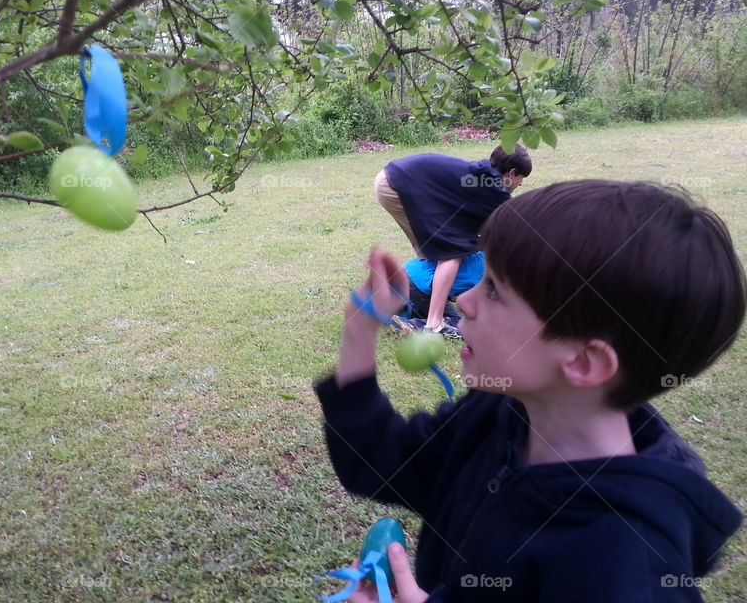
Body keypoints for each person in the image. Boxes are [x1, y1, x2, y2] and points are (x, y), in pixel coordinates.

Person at [317, 180, 746, 602]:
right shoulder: (497, 414)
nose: (464, 300)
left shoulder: (623, 557)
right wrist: (361, 328)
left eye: (495, 290)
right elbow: (381, 461)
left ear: (583, 362)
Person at [374, 145, 531, 337]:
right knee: (450, 252)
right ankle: (433, 324)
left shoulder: (481, 174)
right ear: (512, 173)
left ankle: (398, 300)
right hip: (398, 185)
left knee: (439, 248)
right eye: (521, 178)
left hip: (392, 178)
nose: (520, 184)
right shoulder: (495, 189)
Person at [403, 251, 486, 328]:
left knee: (423, 308)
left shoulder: (477, 254)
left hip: (406, 272)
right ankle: (412, 325)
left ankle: (401, 314)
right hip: (420, 284)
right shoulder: (487, 268)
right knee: (457, 322)